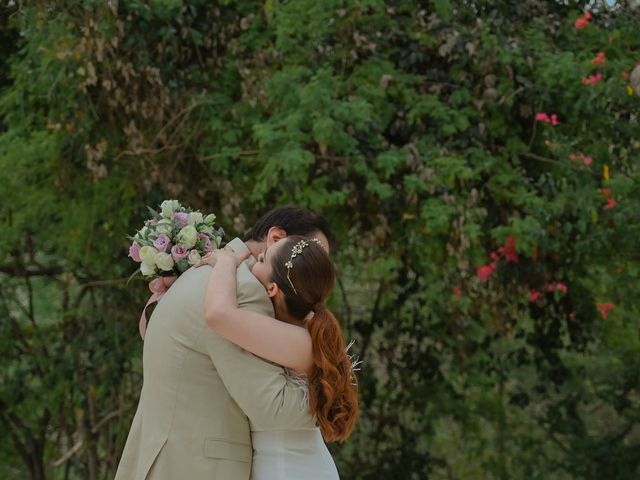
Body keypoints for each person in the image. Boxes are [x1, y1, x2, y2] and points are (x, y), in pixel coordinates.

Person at [115, 207, 335, 480]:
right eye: (309, 257)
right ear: (277, 239)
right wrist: (333, 399)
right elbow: (272, 409)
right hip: (196, 467)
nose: (314, 272)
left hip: (164, 456)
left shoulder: (206, 274)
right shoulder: (243, 290)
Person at [196, 235, 359, 479]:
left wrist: (226, 262)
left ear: (272, 288)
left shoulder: (299, 340)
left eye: (262, 259)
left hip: (290, 471)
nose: (254, 262)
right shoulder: (302, 332)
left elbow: (218, 314)